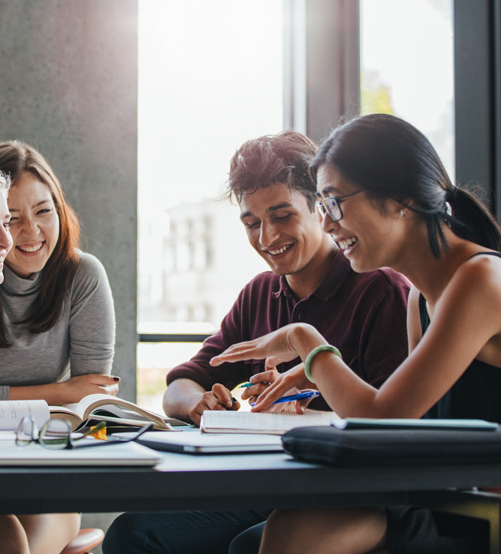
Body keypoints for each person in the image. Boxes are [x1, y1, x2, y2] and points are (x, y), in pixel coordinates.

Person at [103, 130, 411, 554]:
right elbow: (181, 383)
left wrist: (315, 391)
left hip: (350, 496)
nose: (266, 238)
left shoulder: (379, 289)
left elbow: (396, 423)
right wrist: (197, 404)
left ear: (321, 208)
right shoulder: (260, 293)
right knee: (131, 533)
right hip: (271, 487)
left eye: (282, 216)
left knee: (251, 546)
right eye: (251, 223)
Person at [210, 113, 501, 554]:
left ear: (400, 197)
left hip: (481, 517)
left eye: (334, 202)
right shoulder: (418, 301)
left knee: (290, 534)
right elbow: (399, 436)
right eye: (323, 206)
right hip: (441, 502)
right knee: (279, 532)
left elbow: (382, 421)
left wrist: (306, 342)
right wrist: (317, 378)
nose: (326, 224)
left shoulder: (480, 278)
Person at [0, 140, 117, 554]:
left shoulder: (83, 275)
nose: (31, 232)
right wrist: (60, 392)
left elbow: (91, 401)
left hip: (50, 463)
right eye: (11, 219)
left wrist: (67, 397)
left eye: (43, 211)